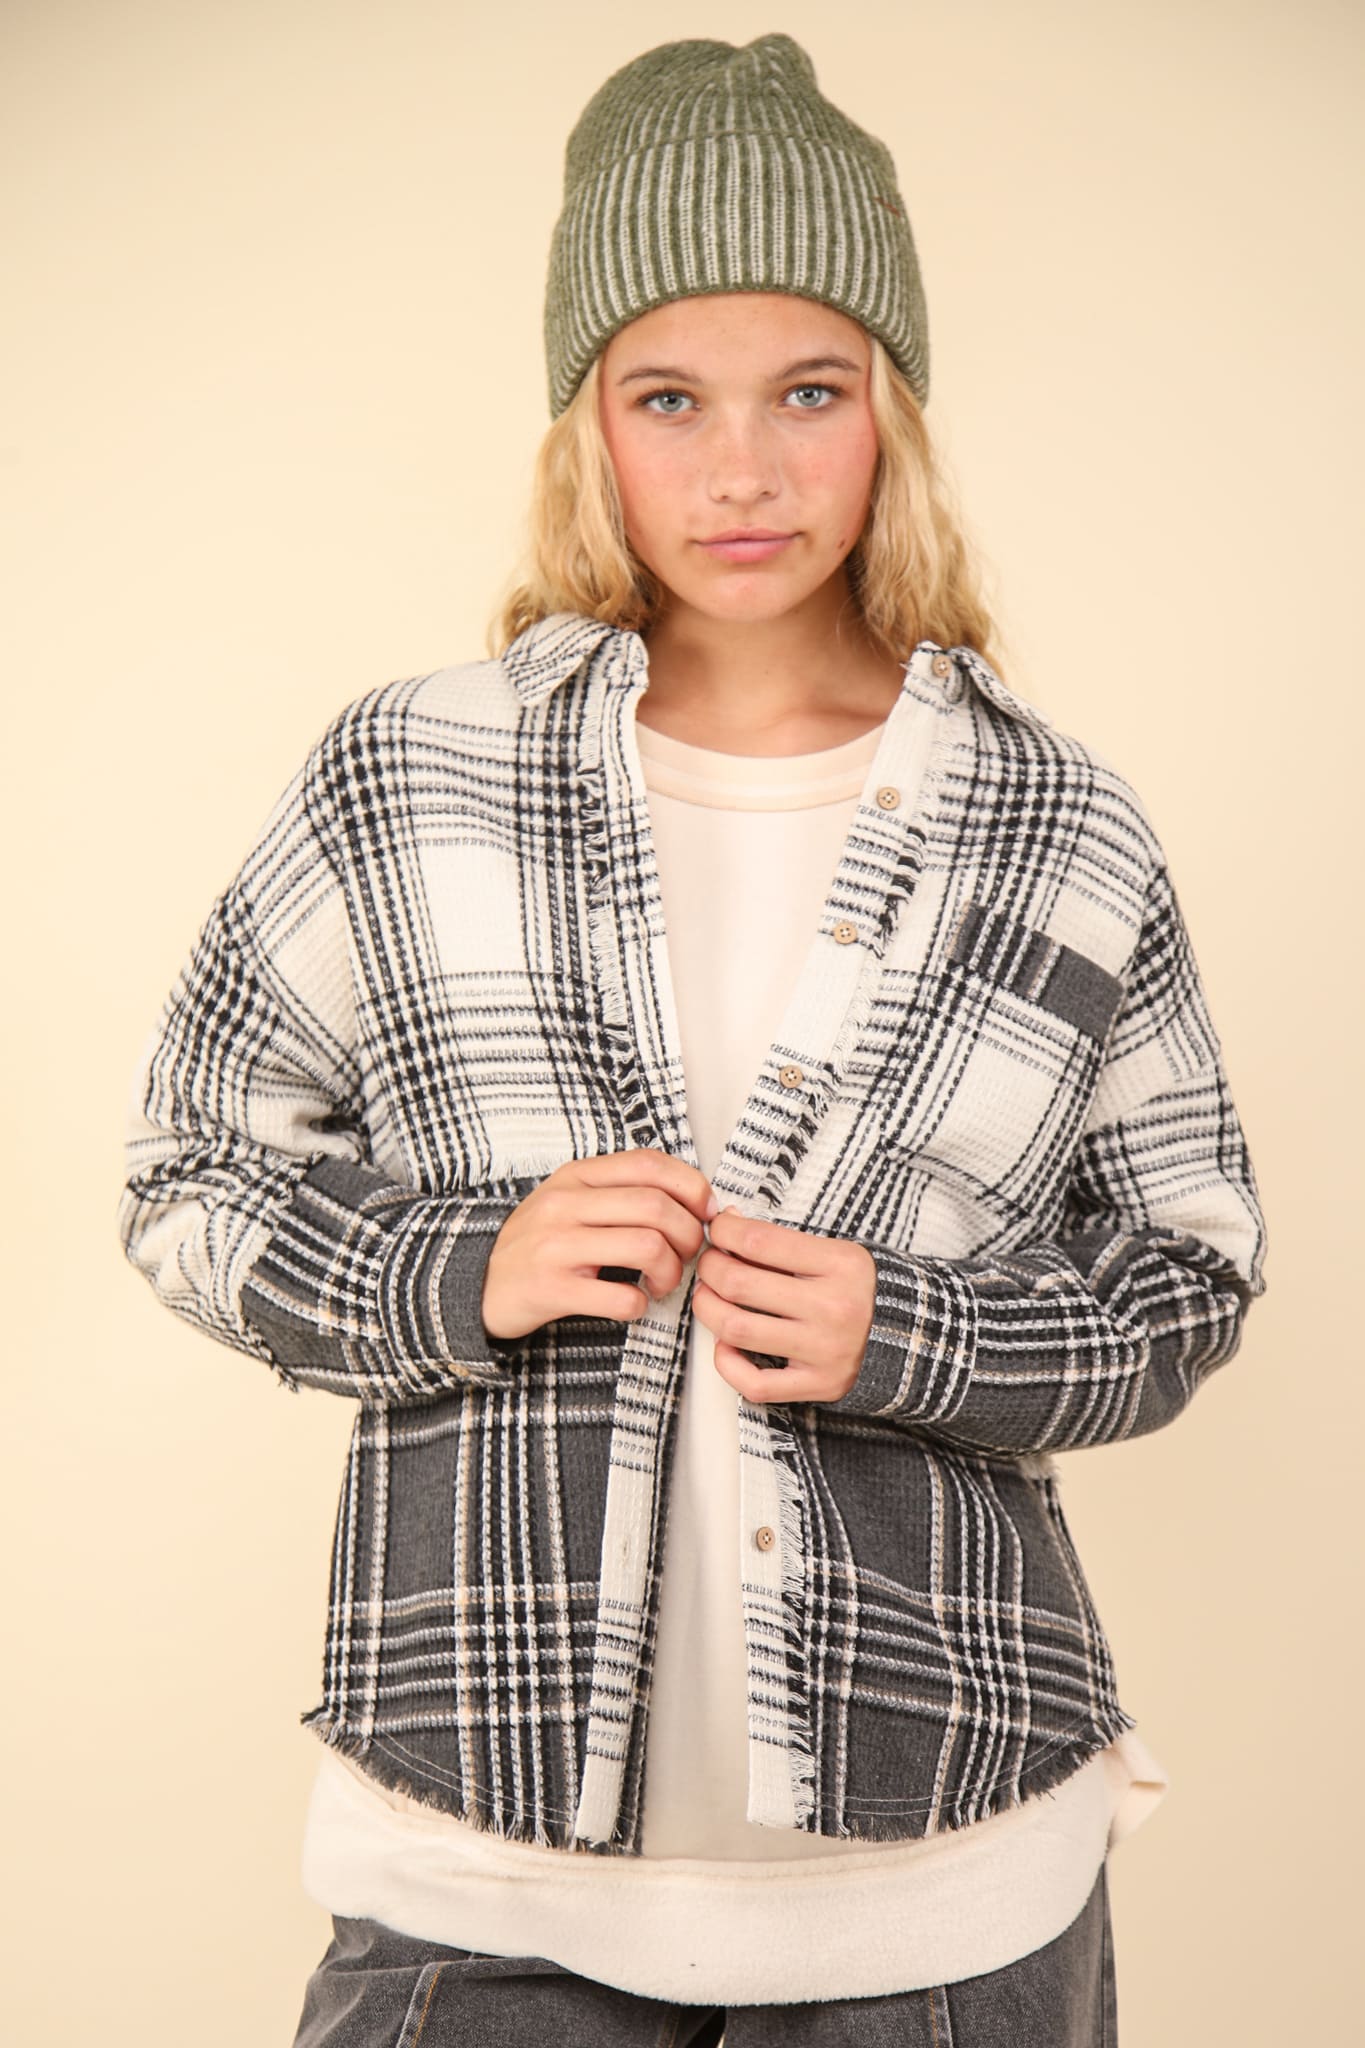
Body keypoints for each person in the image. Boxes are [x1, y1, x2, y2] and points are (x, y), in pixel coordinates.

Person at [118, 32, 1266, 2046]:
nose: (742, 472)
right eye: (669, 398)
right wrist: (458, 1263)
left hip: (951, 1869)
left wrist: (916, 1333)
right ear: (588, 426)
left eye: (808, 391)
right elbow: (190, 1175)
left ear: (893, 413)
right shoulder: (407, 775)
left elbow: (1188, 1267)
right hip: (474, 1849)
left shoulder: (1055, 819)